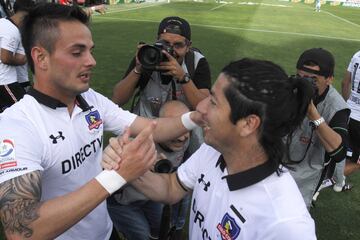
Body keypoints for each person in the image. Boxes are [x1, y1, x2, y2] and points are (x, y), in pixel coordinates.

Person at [0, 3, 202, 240]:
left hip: (105, 232)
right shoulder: (16, 125)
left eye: (90, 50)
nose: (91, 61)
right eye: (77, 52)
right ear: (41, 57)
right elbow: (22, 229)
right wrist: (118, 175)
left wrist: (195, 116)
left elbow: (150, 127)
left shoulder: (88, 99)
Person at [104, 58, 317, 239]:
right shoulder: (213, 151)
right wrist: (127, 166)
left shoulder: (286, 224)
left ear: (248, 124)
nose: (200, 107)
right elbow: (171, 187)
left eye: (213, 102)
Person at [112, 16, 211, 153]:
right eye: (165, 43)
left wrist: (183, 77)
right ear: (157, 40)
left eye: (178, 45)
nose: (170, 50)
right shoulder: (148, 55)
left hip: (183, 127)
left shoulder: (196, 62)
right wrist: (139, 68)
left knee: (201, 158)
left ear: (188, 46)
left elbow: (205, 108)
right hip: (147, 124)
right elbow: (117, 100)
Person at [106, 100, 191, 240]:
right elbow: (107, 181)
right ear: (163, 126)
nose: (182, 137)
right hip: (122, 202)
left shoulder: (188, 141)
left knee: (160, 231)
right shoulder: (135, 143)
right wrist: (140, 167)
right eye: (175, 128)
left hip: (152, 197)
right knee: (141, 236)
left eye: (185, 128)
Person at [288, 48, 350, 208]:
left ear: (329, 79)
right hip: (274, 164)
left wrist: (313, 114)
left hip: (305, 177)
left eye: (312, 80)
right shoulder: (289, 90)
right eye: (300, 78)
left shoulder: (336, 106)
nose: (304, 84)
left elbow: (339, 152)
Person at [0, 0, 34, 112]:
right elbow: (5, 57)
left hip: (10, 81)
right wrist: (22, 60)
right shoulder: (12, 30)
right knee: (23, 112)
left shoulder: (3, 23)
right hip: (5, 81)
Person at [341, 50, 360, 177]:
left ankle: (339, 183)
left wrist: (348, 104)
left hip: (348, 114)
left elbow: (345, 83)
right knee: (357, 161)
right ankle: (323, 183)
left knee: (348, 154)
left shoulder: (357, 55)